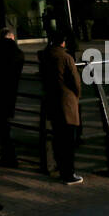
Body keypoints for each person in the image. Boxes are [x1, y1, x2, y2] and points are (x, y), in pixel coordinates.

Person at [37, 27, 83, 184]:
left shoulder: (46, 56)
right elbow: (76, 82)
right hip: (67, 102)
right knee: (68, 140)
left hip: (52, 100)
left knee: (57, 137)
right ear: (63, 42)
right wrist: (76, 96)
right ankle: (68, 173)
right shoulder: (66, 58)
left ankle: (60, 167)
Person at [0, 28, 25, 167]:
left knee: (3, 127)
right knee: (6, 125)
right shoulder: (18, 53)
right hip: (11, 91)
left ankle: (8, 156)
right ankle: (9, 156)